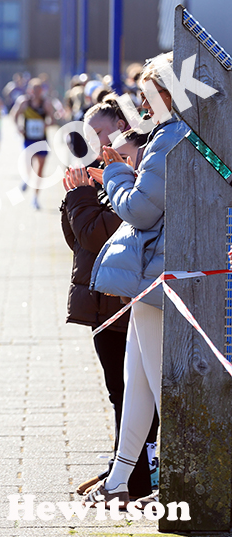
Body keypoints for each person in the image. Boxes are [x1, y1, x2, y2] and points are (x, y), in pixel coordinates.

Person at [85, 51, 189, 506]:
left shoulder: (169, 139)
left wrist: (115, 174)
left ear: (167, 93)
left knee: (155, 379)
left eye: (147, 97)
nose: (141, 107)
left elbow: (140, 210)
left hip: (158, 268)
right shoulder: (180, 133)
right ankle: (121, 477)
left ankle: (181, 477)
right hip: (159, 269)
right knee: (139, 379)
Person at [61, 101, 158, 502]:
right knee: (124, 394)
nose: (98, 146)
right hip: (102, 301)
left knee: (135, 392)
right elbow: (76, 241)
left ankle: (137, 477)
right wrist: (78, 197)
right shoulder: (109, 180)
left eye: (101, 134)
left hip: (123, 303)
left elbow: (94, 235)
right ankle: (127, 478)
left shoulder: (132, 183)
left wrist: (82, 196)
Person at [11, 77, 60, 210]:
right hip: (28, 138)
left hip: (41, 139)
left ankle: (35, 198)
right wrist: (18, 127)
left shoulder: (46, 103)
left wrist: (47, 124)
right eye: (34, 90)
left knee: (40, 170)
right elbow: (14, 115)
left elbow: (54, 119)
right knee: (28, 160)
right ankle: (26, 178)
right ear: (30, 90)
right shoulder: (24, 102)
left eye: (39, 90)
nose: (36, 93)